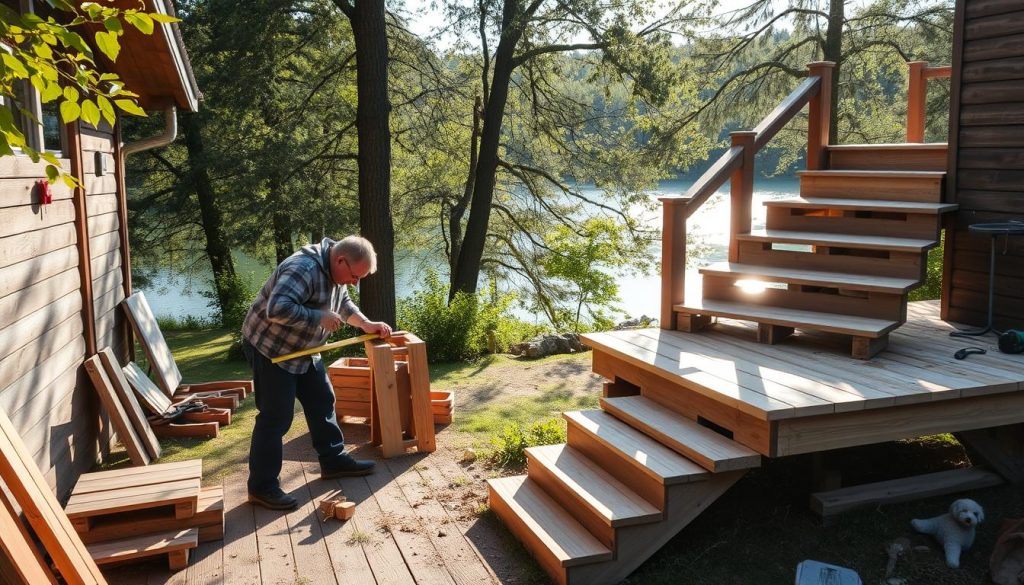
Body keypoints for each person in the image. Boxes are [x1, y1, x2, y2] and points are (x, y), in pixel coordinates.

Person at [240, 236, 393, 510]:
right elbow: (276, 309)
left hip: (305, 349)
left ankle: (333, 461)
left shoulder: (337, 271)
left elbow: (343, 303)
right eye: (355, 276)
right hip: (272, 350)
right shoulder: (302, 268)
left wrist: (366, 324)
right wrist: (317, 316)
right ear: (340, 260)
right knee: (276, 417)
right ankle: (261, 487)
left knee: (323, 400)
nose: (355, 282)